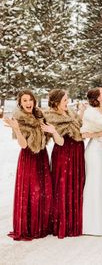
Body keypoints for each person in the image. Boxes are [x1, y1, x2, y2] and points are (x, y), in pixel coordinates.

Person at [4, 89, 61, 241]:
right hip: (29, 158)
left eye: (30, 100)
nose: (28, 103)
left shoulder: (40, 115)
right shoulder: (19, 119)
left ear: (34, 101)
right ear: (20, 103)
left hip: (42, 156)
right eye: (24, 100)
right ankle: (30, 226)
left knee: (44, 191)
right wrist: (16, 129)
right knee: (31, 192)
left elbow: (51, 134)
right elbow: (23, 145)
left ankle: (42, 225)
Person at [43, 89, 85, 239]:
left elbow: (78, 128)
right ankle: (63, 224)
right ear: (56, 102)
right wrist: (54, 132)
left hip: (77, 153)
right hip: (64, 154)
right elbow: (59, 142)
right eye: (65, 100)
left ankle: (75, 222)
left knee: (75, 186)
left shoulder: (70, 113)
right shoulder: (51, 117)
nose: (68, 102)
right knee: (63, 187)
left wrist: (80, 112)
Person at [81, 87, 102, 236]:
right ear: (99, 98)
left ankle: (101, 223)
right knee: (94, 185)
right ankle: (90, 225)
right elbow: (84, 133)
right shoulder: (90, 113)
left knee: (101, 185)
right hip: (94, 151)